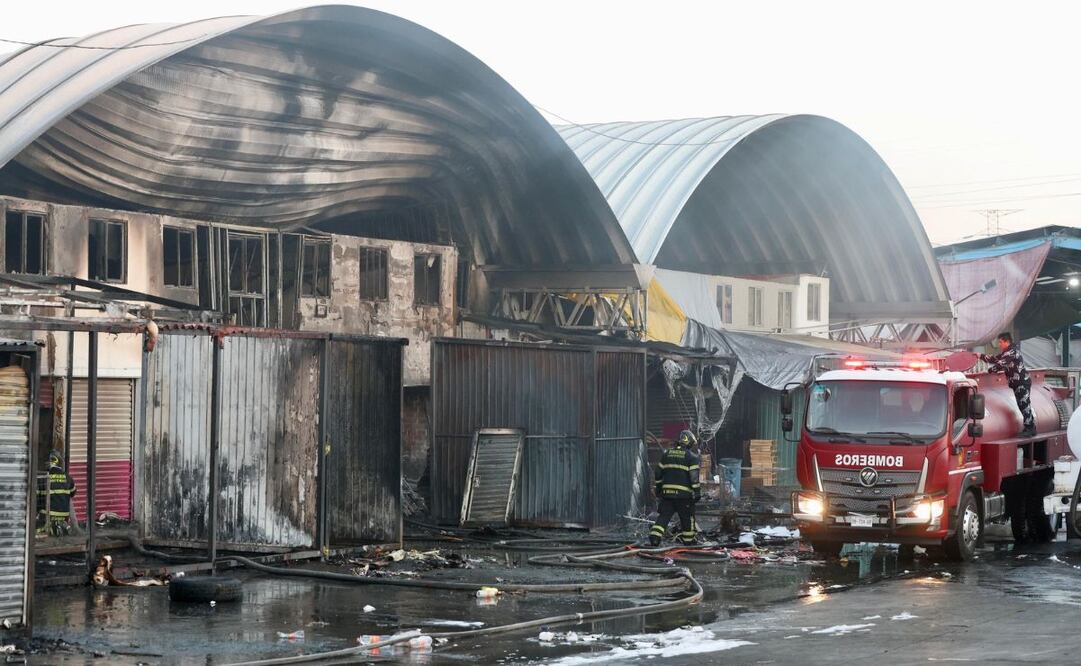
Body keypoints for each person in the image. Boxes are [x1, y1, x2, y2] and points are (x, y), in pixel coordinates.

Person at [649, 429, 701, 546]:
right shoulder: (692, 457)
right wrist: (697, 492)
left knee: (664, 516)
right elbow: (694, 477)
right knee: (687, 517)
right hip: (684, 496)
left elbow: (658, 472)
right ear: (690, 443)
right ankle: (688, 541)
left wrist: (659, 488)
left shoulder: (666, 454)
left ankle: (655, 536)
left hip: (667, 494)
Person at [980, 332, 1036, 437]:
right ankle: (1030, 427)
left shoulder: (1011, 352)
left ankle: (1030, 428)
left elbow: (1000, 364)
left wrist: (989, 370)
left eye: (1001, 342)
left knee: (1024, 404)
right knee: (1023, 404)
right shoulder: (1007, 352)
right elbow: (995, 359)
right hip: (1018, 383)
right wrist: (980, 356)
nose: (999, 344)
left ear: (1007, 341)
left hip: (1021, 383)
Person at [37, 450, 76, 536]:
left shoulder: (43, 477)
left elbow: (36, 499)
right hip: (64, 517)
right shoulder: (68, 477)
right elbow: (72, 494)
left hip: (47, 517)